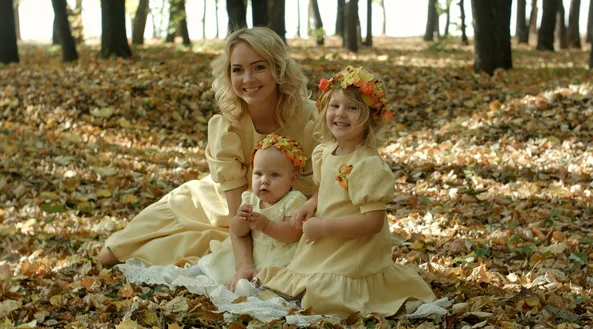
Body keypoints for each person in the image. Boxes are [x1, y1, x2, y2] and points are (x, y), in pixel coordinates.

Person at [97, 27, 319, 291]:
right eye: (237, 70)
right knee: (109, 255)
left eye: (259, 67)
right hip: (223, 202)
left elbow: (330, 179)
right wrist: (243, 265)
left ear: (279, 69)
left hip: (288, 212)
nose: (248, 78)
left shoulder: (310, 117)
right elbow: (236, 209)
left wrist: (313, 202)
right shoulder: (226, 126)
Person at [258, 66, 436, 316]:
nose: (341, 114)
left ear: (370, 118)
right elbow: (327, 189)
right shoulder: (326, 152)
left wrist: (324, 227)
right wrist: (312, 204)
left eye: (352, 108)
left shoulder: (367, 164)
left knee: (326, 293)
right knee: (297, 281)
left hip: (355, 248)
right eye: (335, 106)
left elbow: (373, 222)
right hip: (327, 242)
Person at [194, 134, 307, 293]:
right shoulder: (250, 199)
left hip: (280, 257)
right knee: (221, 262)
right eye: (259, 174)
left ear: (293, 179)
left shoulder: (293, 200)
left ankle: (251, 291)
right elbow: (238, 231)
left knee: (272, 280)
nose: (264, 181)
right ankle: (198, 274)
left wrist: (267, 226)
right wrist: (240, 220)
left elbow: (294, 233)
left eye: (274, 175)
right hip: (254, 253)